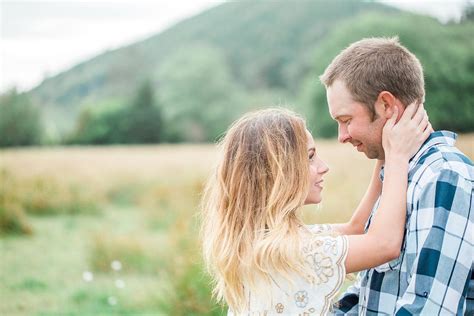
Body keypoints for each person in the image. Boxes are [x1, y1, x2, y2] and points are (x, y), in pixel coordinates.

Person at [201, 104, 430, 314]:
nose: (324, 167)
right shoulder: (291, 251)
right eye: (310, 157)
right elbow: (384, 245)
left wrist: (383, 152)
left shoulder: (266, 241)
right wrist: (398, 156)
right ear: (279, 172)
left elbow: (357, 228)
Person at [320, 37, 473, 315]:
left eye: (346, 120)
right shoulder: (398, 176)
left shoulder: (445, 177)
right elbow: (368, 293)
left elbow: (429, 309)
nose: (342, 137)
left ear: (387, 106)